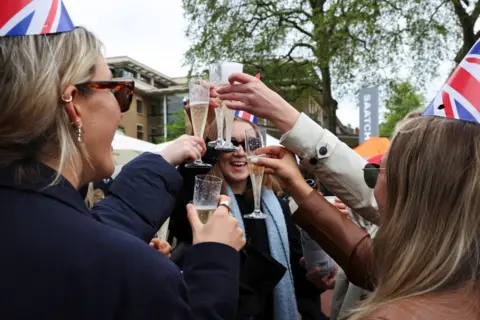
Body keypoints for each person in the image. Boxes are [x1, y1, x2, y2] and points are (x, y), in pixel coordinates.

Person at [0, 11, 246, 319]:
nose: (121, 111)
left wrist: (164, 160)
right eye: (120, 92)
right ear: (73, 104)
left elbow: (96, 225)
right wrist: (214, 262)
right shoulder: (132, 274)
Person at [215, 45, 480, 317]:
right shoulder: (444, 262)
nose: (370, 180)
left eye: (380, 170)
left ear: (415, 191)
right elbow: (367, 260)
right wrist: (298, 184)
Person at [169, 116, 325, 320]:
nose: (240, 152)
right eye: (231, 143)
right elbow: (185, 199)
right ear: (217, 149)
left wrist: (315, 277)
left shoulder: (278, 207)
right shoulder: (203, 207)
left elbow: (299, 276)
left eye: (250, 144)